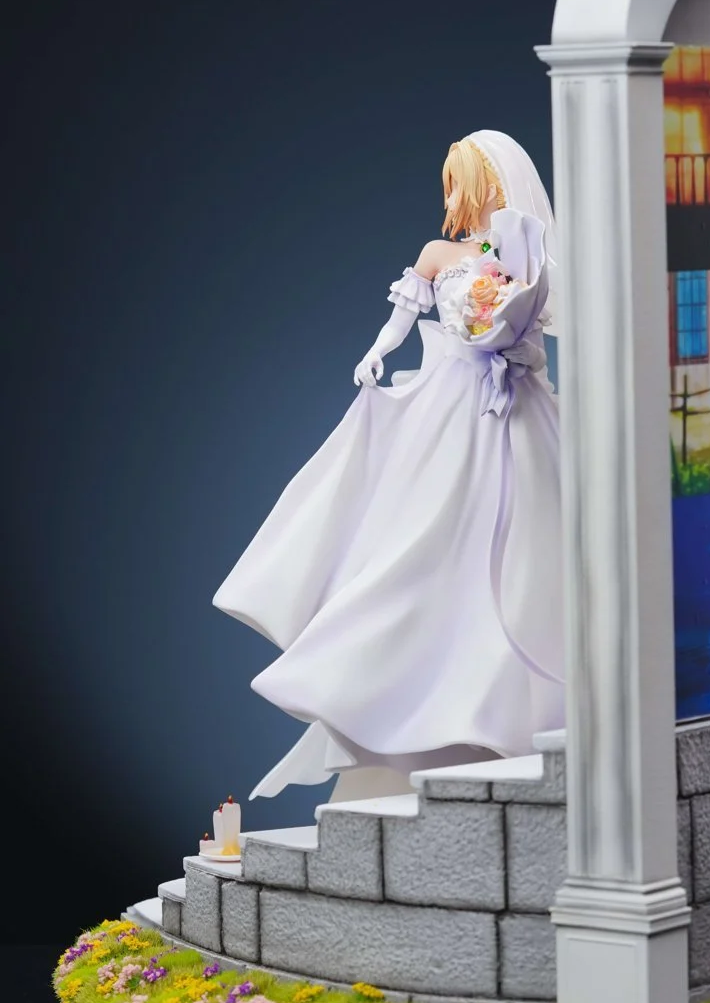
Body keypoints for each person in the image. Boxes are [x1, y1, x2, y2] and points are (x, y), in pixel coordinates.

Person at [213, 131, 564, 801]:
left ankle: (508, 697)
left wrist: (510, 331)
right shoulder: (439, 254)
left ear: (491, 185)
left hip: (511, 407)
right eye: (450, 186)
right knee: (422, 535)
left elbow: (528, 320)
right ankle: (397, 681)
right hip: (450, 405)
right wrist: (377, 351)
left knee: (524, 544)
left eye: (462, 184)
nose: (453, 198)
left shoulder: (517, 250)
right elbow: (404, 317)